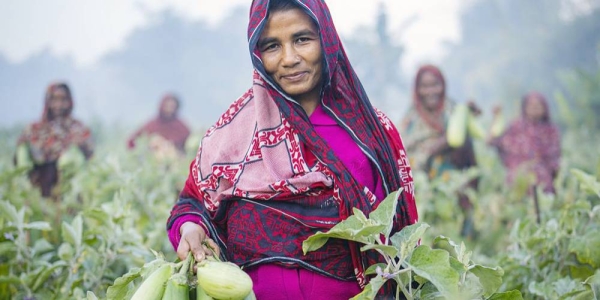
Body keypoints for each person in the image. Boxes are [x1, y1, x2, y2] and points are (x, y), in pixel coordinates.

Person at [166, 0, 418, 298]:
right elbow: (192, 204)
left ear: (326, 39)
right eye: (272, 46)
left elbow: (400, 235)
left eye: (302, 39)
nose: (289, 58)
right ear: (257, 54)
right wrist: (190, 228)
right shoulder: (234, 131)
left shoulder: (372, 135)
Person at [399, 65, 478, 238]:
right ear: (417, 89)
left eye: (435, 84)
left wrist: (469, 114)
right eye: (424, 86)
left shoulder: (454, 110)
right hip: (423, 187)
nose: (430, 91)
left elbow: (467, 140)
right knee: (427, 233)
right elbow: (403, 152)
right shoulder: (411, 118)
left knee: (454, 237)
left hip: (454, 184)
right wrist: (431, 151)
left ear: (443, 85)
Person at [16, 82, 94, 198]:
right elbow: (22, 161)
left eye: (63, 100)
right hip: (39, 191)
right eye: (54, 100)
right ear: (47, 102)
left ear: (70, 102)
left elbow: (90, 154)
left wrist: (80, 147)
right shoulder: (34, 129)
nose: (59, 105)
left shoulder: (78, 128)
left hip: (69, 192)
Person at [488, 92, 561, 194]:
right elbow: (494, 141)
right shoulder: (515, 127)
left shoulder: (551, 131)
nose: (534, 108)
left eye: (538, 105)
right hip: (516, 182)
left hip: (542, 184)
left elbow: (554, 160)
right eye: (531, 105)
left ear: (544, 108)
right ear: (524, 107)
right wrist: (496, 117)